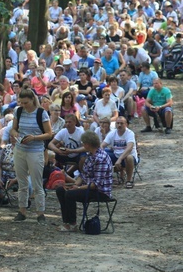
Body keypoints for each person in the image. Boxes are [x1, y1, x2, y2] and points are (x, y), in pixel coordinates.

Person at [55, 131, 113, 232]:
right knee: (61, 190)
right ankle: (66, 222)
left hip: (100, 191)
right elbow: (83, 175)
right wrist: (74, 184)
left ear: (87, 144)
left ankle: (72, 224)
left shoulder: (101, 158)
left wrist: (77, 188)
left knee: (70, 194)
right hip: (89, 187)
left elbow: (96, 184)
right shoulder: (90, 156)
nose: (82, 144)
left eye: (83, 143)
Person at [10, 88, 52, 224]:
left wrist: (34, 138)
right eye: (21, 102)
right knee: (21, 182)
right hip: (20, 149)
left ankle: (40, 213)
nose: (23, 105)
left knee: (37, 183)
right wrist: (15, 133)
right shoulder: (19, 111)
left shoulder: (41, 113)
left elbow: (49, 133)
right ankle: (22, 210)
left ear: (32, 100)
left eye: (26, 102)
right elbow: (13, 128)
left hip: (35, 150)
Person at [101, 117, 138, 187]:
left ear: (126, 124)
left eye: (121, 123)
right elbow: (102, 145)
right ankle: (105, 179)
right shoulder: (112, 133)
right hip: (116, 156)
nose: (119, 125)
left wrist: (120, 159)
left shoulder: (130, 133)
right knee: (102, 154)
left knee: (129, 157)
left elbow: (129, 148)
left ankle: (129, 180)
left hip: (129, 158)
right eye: (117, 123)